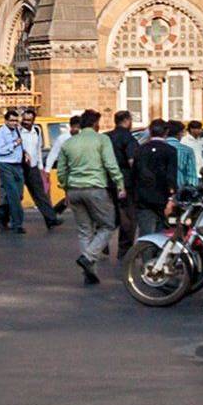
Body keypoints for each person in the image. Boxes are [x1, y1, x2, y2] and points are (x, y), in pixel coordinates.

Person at [52, 108, 125, 286]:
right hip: (96, 187)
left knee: (85, 231)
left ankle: (89, 272)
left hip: (74, 190)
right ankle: (88, 257)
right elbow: (110, 164)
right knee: (108, 224)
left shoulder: (69, 143)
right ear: (95, 124)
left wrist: (66, 187)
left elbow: (61, 170)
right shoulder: (102, 139)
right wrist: (120, 183)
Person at [0, 111, 31, 233]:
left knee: (19, 194)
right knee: (13, 194)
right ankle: (17, 224)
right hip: (5, 164)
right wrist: (14, 144)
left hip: (17, 165)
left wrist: (24, 153)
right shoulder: (1, 132)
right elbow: (1, 150)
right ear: (6, 121)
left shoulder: (17, 130)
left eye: (15, 121)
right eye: (11, 121)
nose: (14, 123)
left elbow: (21, 145)